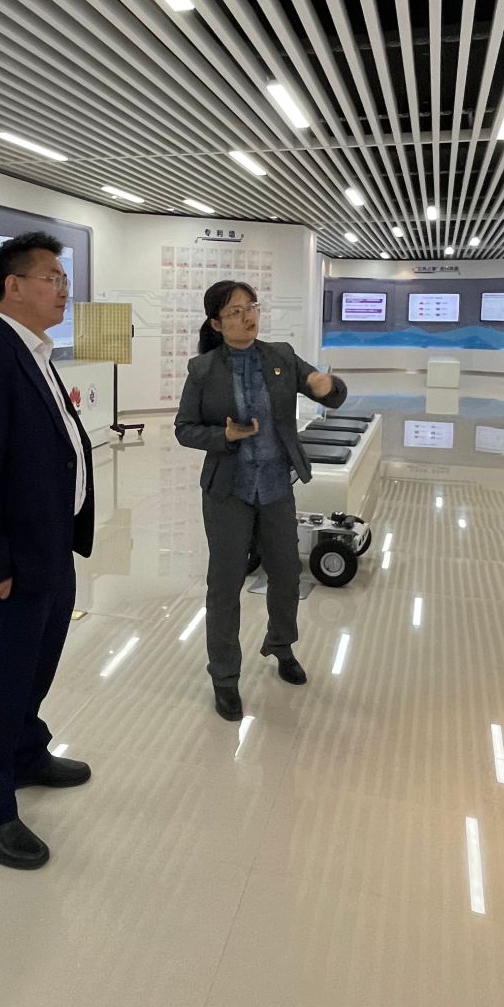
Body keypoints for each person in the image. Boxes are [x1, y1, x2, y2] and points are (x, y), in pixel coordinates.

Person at [0, 231, 95, 870]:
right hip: (11, 561)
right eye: (52, 278)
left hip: (50, 547)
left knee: (35, 665)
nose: (63, 290)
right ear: (14, 286)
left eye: (63, 279)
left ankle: (26, 752)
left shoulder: (34, 353)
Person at [174, 279, 347, 721]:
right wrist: (224, 436)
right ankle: (225, 677)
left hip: (274, 487)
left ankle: (281, 645)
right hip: (228, 491)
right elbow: (184, 429)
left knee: (286, 574)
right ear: (216, 323)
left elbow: (327, 390)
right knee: (225, 585)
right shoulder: (203, 369)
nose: (247, 316)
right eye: (235, 311)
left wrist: (326, 385)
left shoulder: (280, 357)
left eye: (250, 307)